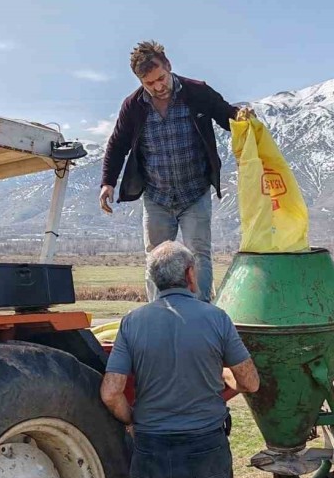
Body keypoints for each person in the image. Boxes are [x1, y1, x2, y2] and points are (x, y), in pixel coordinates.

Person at [100, 241, 260, 478]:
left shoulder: (133, 322)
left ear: (154, 280)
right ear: (190, 275)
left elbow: (111, 392)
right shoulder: (216, 318)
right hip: (206, 450)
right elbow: (249, 381)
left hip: (151, 452)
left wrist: (132, 420)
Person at [98, 40, 251, 302]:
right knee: (155, 257)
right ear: (140, 82)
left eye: (161, 78)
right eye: (149, 83)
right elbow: (117, 143)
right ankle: (158, 312)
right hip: (157, 196)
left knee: (198, 254)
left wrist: (241, 116)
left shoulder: (197, 92)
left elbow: (224, 114)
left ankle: (201, 312)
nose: (158, 87)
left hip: (194, 193)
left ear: (168, 66)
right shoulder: (133, 106)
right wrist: (107, 182)